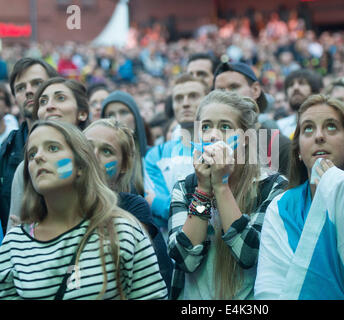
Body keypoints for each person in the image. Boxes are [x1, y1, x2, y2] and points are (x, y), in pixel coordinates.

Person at [255, 94, 344, 300]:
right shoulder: (282, 207)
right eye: (308, 128)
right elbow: (269, 289)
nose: (319, 136)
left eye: (331, 127)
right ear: (298, 150)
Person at [0, 120, 167, 299]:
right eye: (32, 154)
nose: (39, 157)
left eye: (53, 148)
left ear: (80, 164)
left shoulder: (122, 230)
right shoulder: (14, 243)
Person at [168, 90, 287, 300]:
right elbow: (185, 260)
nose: (213, 135)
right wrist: (203, 190)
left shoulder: (272, 187)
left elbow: (248, 254)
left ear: (246, 138)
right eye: (205, 127)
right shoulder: (185, 188)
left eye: (225, 127)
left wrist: (221, 186)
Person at [83, 118, 173, 293]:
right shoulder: (52, 204)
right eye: (87, 146)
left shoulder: (133, 209)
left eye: (106, 151)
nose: (93, 155)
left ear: (123, 166)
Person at [7, 77, 90, 231]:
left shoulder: (100, 154)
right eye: (43, 102)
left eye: (60, 98)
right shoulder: (27, 168)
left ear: (82, 113)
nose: (49, 106)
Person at [0, 58, 58, 234]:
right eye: (20, 88)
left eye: (37, 83)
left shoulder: (82, 141)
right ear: (15, 98)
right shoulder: (5, 150)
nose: (29, 91)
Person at [144, 74, 208, 233]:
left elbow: (218, 210)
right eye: (179, 98)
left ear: (207, 101)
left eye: (193, 96)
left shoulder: (219, 151)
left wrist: (160, 204)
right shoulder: (156, 155)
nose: (185, 103)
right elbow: (157, 216)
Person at [213, 61, 291, 176]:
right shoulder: (210, 141)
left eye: (234, 87)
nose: (226, 95)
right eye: (220, 91)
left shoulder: (281, 146)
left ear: (255, 90)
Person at [101, 90, 154, 205]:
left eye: (124, 112)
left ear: (135, 117)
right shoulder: (95, 157)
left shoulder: (152, 156)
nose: (117, 118)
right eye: (110, 114)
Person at [277, 69, 323, 138]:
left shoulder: (325, 125)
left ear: (314, 91)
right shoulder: (279, 126)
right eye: (291, 85)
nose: (295, 88)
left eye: (302, 83)